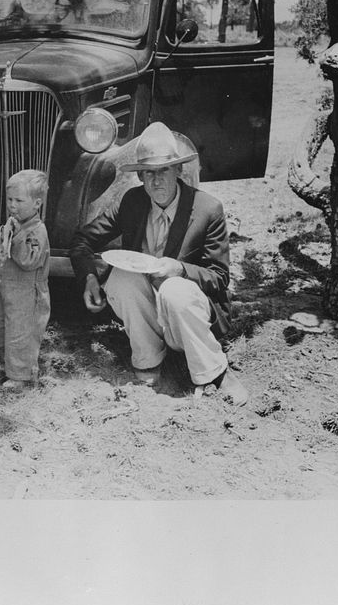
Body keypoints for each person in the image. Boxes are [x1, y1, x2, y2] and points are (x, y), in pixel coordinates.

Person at [69, 121, 249, 406]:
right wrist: (89, 278)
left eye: (164, 170)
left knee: (174, 290)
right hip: (149, 313)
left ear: (179, 170)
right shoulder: (132, 201)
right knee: (120, 278)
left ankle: (213, 372)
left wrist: (179, 269)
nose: (156, 181)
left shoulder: (206, 208)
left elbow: (219, 277)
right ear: (139, 176)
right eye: (149, 173)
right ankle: (148, 361)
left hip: (189, 314)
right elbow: (82, 240)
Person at [0, 170, 51, 393]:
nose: (12, 205)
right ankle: (3, 365)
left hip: (27, 293)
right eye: (10, 199)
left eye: (19, 200)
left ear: (37, 203)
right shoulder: (15, 223)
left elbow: (29, 260)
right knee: (3, 326)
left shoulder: (36, 231)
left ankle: (20, 375)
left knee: (21, 332)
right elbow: (6, 246)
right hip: (7, 287)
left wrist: (16, 236)